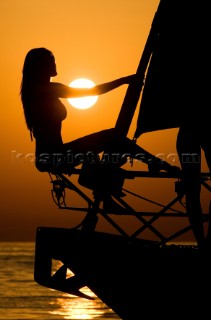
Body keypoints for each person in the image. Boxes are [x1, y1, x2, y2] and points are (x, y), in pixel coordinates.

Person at [20, 47, 178, 176]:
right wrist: (123, 81)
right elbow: (91, 91)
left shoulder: (36, 91)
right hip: (54, 157)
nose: (54, 64)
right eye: (50, 61)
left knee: (101, 148)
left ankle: (109, 190)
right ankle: (156, 164)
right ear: (40, 67)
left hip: (55, 155)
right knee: (113, 137)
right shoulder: (46, 90)